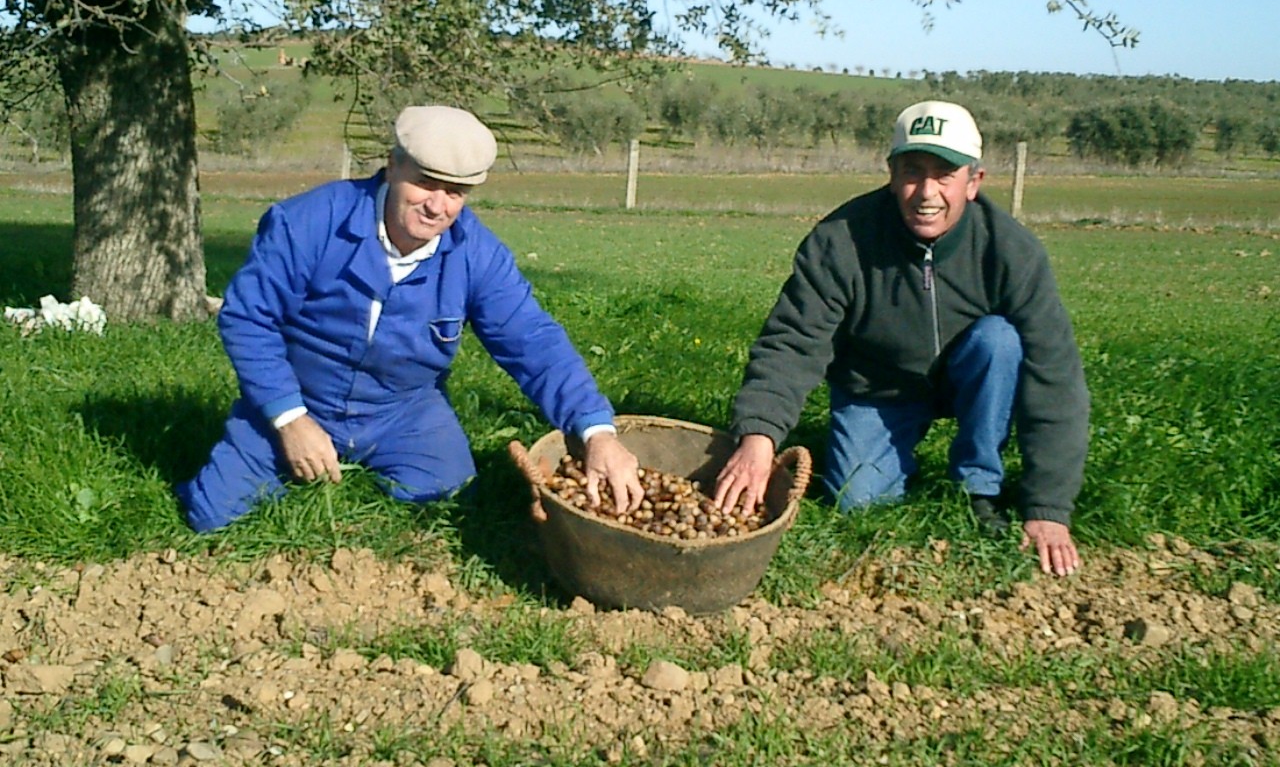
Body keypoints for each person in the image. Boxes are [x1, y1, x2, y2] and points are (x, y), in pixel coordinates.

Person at [178, 105, 643, 532]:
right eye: (426, 182)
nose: (438, 206)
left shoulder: (476, 255)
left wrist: (595, 430)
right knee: (213, 516)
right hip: (302, 396)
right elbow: (247, 318)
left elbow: (534, 342)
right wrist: (289, 418)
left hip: (402, 410)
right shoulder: (306, 223)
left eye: (456, 192)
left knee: (452, 506)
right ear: (393, 164)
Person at [713, 101, 1088, 577]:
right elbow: (794, 341)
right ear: (891, 174)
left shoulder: (1011, 251)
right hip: (876, 387)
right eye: (912, 172)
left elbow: (1055, 376)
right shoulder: (840, 239)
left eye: (944, 175)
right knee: (858, 501)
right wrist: (759, 436)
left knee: (1001, 341)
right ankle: (889, 449)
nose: (926, 192)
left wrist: (1049, 509)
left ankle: (978, 487)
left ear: (974, 183)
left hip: (966, 376)